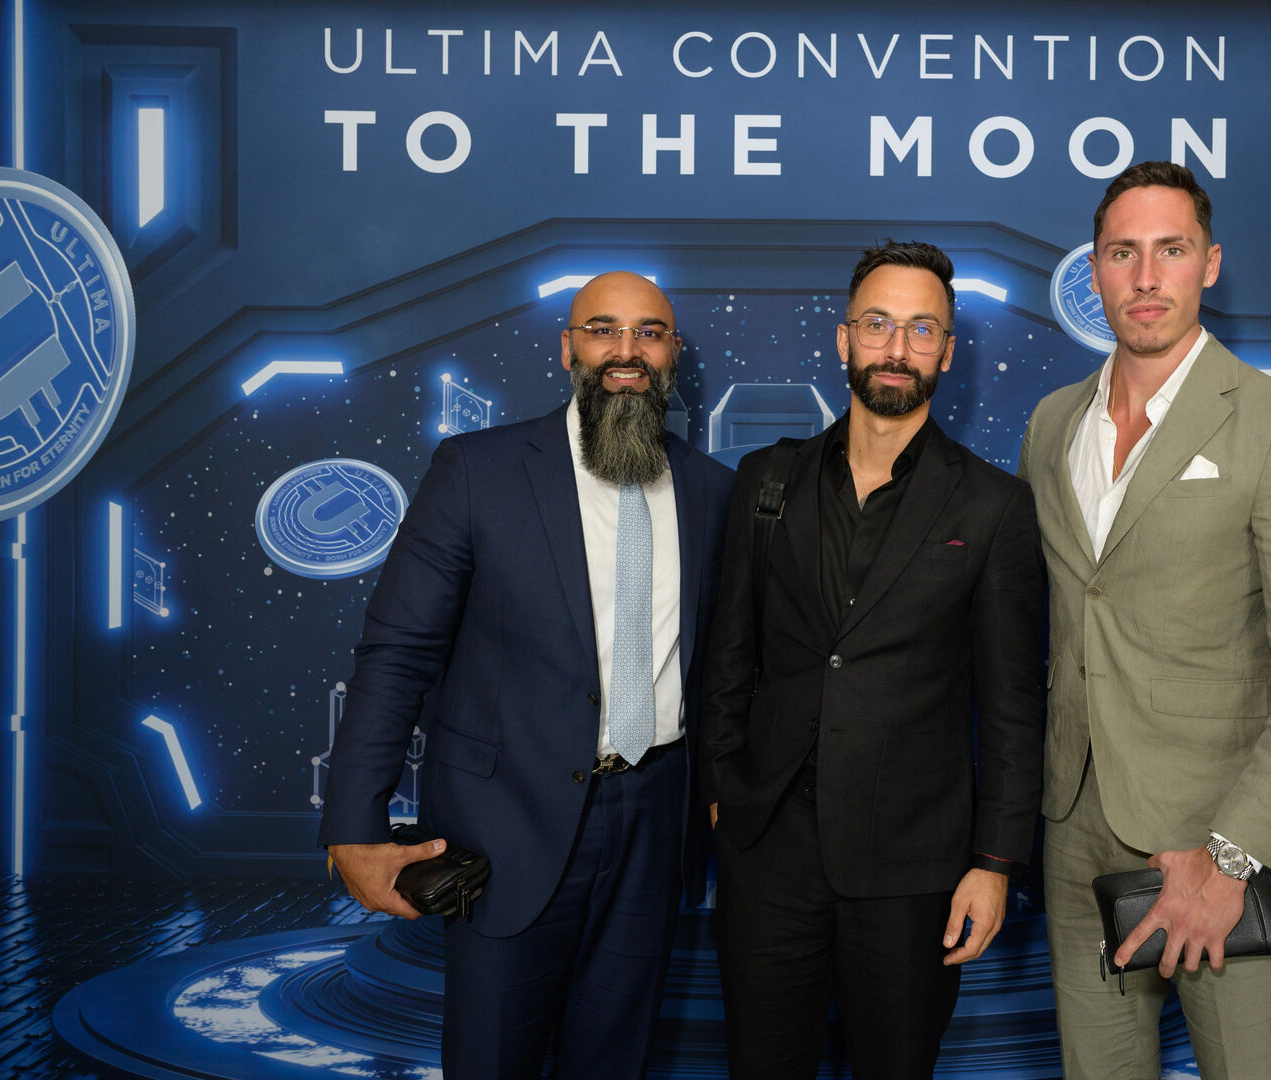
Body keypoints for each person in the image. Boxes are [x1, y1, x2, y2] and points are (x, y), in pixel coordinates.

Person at [318, 271, 734, 1079]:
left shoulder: (714, 492)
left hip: (655, 822)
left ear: (672, 353)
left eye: (648, 333)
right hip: (506, 825)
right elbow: (398, 651)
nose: (626, 351)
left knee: (614, 1061)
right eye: (603, 329)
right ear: (567, 348)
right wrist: (353, 826)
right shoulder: (478, 469)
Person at [1018, 161, 1271, 1079]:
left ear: (1208, 264)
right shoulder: (1051, 425)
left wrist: (1232, 857)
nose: (1145, 278)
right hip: (1074, 826)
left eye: (1169, 250)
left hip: (1216, 840)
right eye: (1121, 253)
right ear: (1092, 270)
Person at [697, 240, 1046, 1079]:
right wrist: (720, 795)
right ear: (844, 338)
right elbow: (728, 654)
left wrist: (994, 865)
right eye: (878, 324)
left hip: (914, 863)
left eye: (921, 329)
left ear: (946, 352)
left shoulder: (993, 506)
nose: (897, 347)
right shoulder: (766, 479)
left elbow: (1011, 706)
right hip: (768, 849)